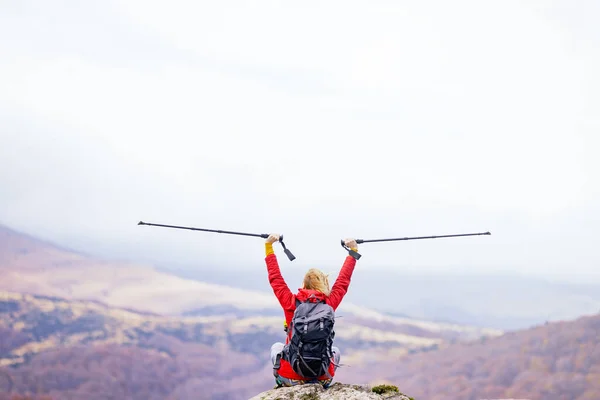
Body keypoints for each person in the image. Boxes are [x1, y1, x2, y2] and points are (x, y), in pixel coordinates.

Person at [264, 234, 359, 388]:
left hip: (291, 378)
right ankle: (321, 383)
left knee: (276, 347)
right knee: (335, 350)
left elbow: (275, 278)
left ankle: (282, 381)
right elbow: (343, 281)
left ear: (304, 284)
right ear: (324, 284)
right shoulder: (329, 303)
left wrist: (269, 246)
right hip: (322, 378)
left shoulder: (290, 302)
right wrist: (353, 251)